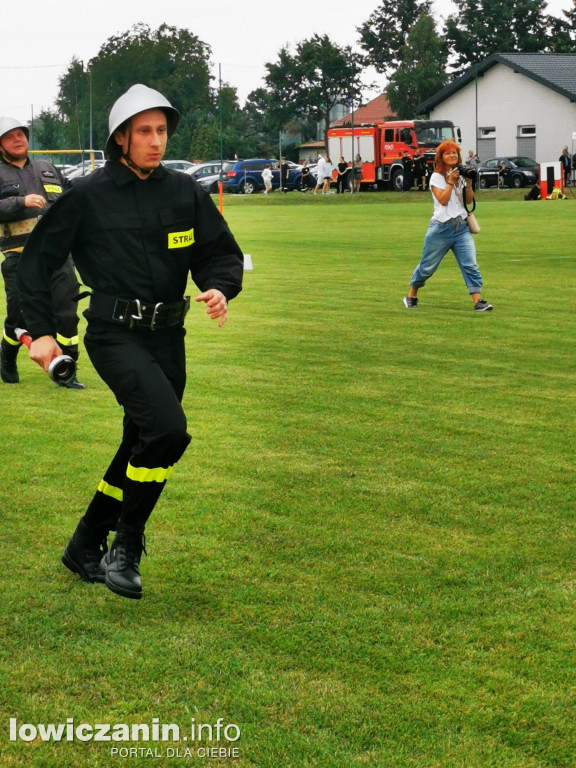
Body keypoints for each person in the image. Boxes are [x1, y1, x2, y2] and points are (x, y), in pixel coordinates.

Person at [17, 84, 244, 600]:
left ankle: (84, 543)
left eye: (162, 130)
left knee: (141, 440)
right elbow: (36, 264)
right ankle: (125, 545)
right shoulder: (87, 196)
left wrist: (219, 286)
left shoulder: (184, 191)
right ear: (121, 138)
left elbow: (219, 252)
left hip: (169, 337)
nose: (156, 141)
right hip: (114, 334)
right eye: (144, 131)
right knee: (167, 429)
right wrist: (40, 332)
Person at [0, 117, 84, 388]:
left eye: (21, 134)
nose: (18, 139)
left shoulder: (46, 168)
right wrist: (20, 202)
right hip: (18, 255)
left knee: (67, 310)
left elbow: (71, 198)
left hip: (56, 254)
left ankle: (68, 368)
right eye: (10, 136)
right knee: (19, 316)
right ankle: (7, 354)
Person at [402, 140, 493, 312]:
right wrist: (450, 181)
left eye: (454, 153)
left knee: (470, 265)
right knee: (427, 267)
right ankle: (411, 295)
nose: (452, 155)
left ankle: (478, 301)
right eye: (448, 153)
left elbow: (468, 201)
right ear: (441, 157)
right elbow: (443, 200)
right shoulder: (436, 177)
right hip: (440, 229)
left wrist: (469, 183)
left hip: (461, 228)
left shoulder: (462, 175)